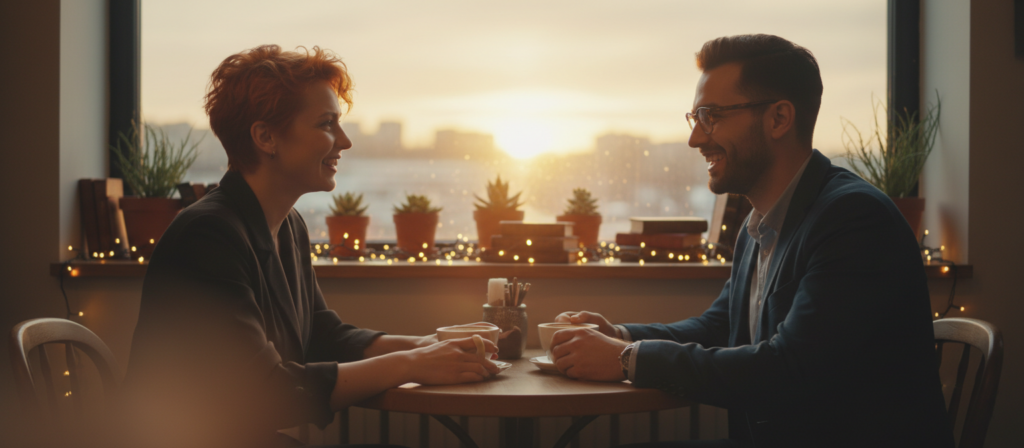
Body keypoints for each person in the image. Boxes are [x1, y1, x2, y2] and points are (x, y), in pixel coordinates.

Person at [549, 34, 953, 447]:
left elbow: (790, 369)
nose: (696, 138)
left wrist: (625, 360)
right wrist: (620, 336)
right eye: (696, 118)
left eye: (712, 116)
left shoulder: (853, 220)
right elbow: (721, 326)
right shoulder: (758, 223)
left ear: (778, 118)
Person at [123, 45, 499, 448]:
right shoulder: (207, 236)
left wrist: (428, 344)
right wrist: (410, 363)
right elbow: (267, 395)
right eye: (326, 125)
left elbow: (323, 335)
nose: (345, 141)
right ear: (265, 136)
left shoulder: (287, 224)